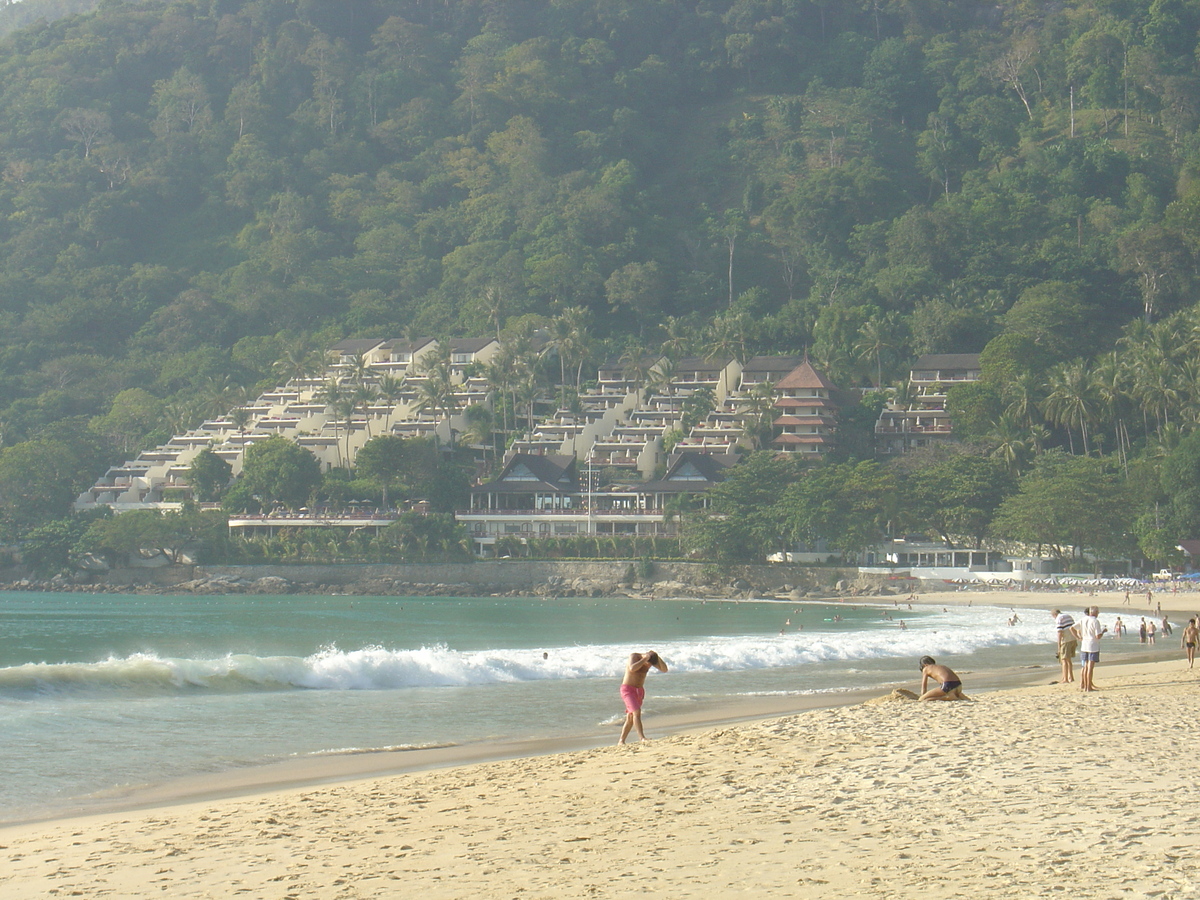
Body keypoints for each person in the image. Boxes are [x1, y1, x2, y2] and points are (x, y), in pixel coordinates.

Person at [618, 650, 668, 744]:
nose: (648, 666)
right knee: (637, 712)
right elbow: (632, 668)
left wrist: (658, 658)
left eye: (650, 664)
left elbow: (665, 670)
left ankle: (621, 741)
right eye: (648, 663)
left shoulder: (650, 661)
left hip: (639, 691)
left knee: (630, 717)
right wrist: (645, 658)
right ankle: (642, 738)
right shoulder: (634, 656)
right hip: (627, 690)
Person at [1073, 606, 1106, 693]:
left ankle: (1084, 685)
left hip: (1084, 645)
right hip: (1092, 645)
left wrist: (1078, 637)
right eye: (1097, 612)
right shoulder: (1095, 621)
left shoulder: (1083, 619)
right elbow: (1098, 636)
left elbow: (1072, 628)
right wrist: (1103, 631)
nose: (1098, 614)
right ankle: (1088, 687)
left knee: (1085, 666)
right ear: (1094, 613)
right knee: (1090, 668)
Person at [1052, 608, 1076, 684]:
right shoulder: (1068, 616)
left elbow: (1059, 633)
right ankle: (1071, 677)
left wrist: (1059, 645)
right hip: (1073, 639)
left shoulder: (1059, 619)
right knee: (1068, 659)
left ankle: (1065, 678)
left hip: (1066, 640)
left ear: (1054, 615)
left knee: (1064, 659)